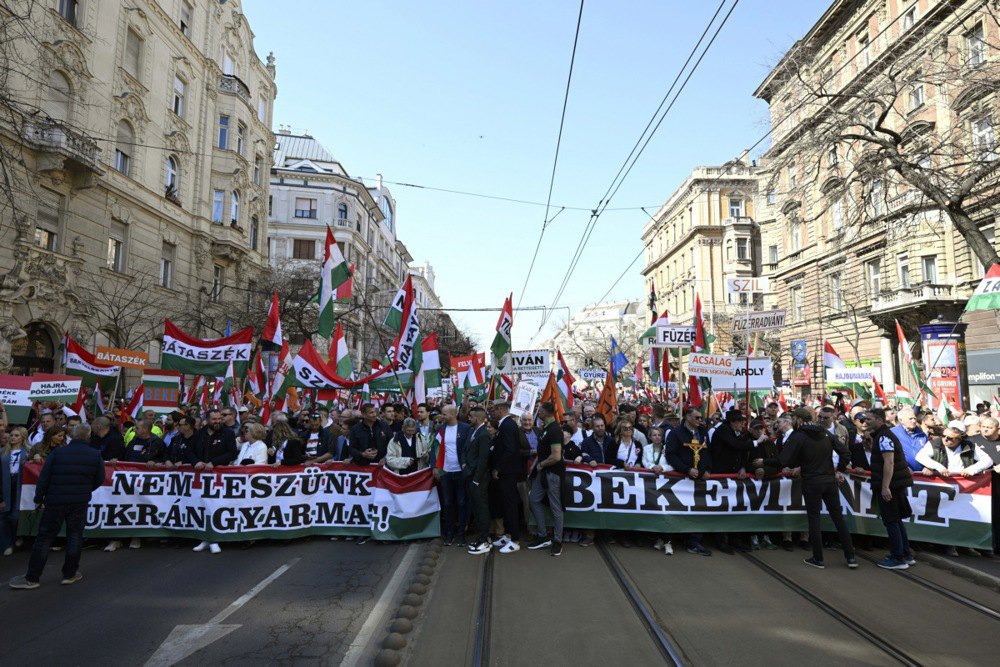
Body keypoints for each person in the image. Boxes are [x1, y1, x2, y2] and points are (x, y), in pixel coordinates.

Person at [755, 407, 856, 569]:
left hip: (812, 483)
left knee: (814, 520)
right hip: (829, 481)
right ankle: (851, 557)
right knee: (838, 519)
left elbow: (782, 460)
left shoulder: (799, 436)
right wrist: (840, 471)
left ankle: (818, 559)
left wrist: (763, 462)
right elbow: (845, 453)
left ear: (798, 420)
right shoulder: (826, 434)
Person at [9, 423, 104, 590]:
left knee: (44, 538)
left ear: (72, 436)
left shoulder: (58, 452)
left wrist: (39, 498)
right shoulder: (94, 454)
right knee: (74, 536)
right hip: (79, 502)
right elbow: (100, 478)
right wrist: (85, 490)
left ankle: (32, 577)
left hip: (55, 500)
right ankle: (69, 574)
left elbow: (44, 477)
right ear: (88, 436)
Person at [860, 408, 915, 570]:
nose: (865, 423)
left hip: (891, 486)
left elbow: (889, 463)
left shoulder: (883, 437)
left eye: (869, 419)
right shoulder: (883, 436)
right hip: (896, 484)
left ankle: (898, 558)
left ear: (880, 420)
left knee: (891, 521)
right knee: (896, 520)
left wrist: (885, 487)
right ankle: (905, 554)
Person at [665, 407, 712, 556]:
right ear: (688, 417)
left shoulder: (703, 432)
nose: (700, 420)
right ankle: (679, 538)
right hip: (682, 479)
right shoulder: (676, 433)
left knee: (699, 509)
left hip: (700, 478)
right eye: (697, 418)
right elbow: (671, 455)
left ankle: (694, 541)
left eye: (701, 418)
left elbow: (707, 452)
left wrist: (707, 470)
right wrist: (686, 469)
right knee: (680, 509)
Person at [191, 409, 237, 555]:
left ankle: (214, 539)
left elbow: (231, 452)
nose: (217, 422)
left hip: (219, 477)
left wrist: (214, 463)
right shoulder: (199, 433)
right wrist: (196, 462)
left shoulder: (228, 433)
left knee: (216, 507)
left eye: (219, 419)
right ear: (207, 419)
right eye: (214, 419)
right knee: (203, 507)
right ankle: (206, 539)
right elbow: (190, 452)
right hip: (201, 477)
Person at [526, 402, 565, 556]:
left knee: (556, 507)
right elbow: (542, 451)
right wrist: (535, 466)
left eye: (539, 410)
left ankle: (557, 541)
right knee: (534, 499)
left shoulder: (554, 430)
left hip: (552, 473)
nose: (537, 412)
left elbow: (556, 456)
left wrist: (541, 464)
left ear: (544, 412)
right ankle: (542, 535)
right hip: (543, 473)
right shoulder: (546, 429)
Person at [433, 405, 471, 546]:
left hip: (461, 472)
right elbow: (435, 449)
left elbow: (469, 449)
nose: (441, 416)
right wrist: (435, 467)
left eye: (443, 414)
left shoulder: (465, 429)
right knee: (448, 504)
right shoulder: (440, 429)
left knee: (462, 503)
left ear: (453, 414)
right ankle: (449, 534)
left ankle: (461, 534)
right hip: (446, 472)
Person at [490, 401, 523, 554]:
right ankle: (508, 535)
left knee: (510, 505)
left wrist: (498, 468)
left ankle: (515, 540)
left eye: (493, 410)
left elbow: (510, 450)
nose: (491, 413)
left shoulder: (508, 425)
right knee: (505, 504)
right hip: (506, 472)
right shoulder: (506, 424)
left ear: (500, 409)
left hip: (508, 472)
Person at [464, 407, 493, 555]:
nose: (469, 419)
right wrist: (465, 466)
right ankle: (481, 537)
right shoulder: (472, 431)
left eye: (471, 417)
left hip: (479, 479)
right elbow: (466, 450)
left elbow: (484, 459)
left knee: (481, 508)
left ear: (477, 418)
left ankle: (485, 539)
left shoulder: (484, 434)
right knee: (476, 507)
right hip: (470, 475)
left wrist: (476, 479)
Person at [642, 426, 674, 555]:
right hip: (650, 484)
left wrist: (662, 467)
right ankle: (661, 539)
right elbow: (644, 462)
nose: (657, 437)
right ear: (650, 436)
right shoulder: (646, 449)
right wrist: (652, 467)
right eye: (654, 435)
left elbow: (672, 464)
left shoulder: (667, 449)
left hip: (665, 485)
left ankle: (668, 543)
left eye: (659, 435)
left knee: (665, 512)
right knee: (655, 512)